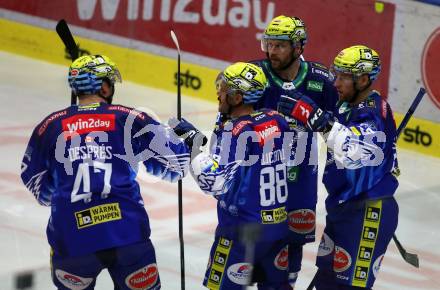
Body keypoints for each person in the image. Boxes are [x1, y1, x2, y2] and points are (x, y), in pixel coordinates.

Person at [20, 54, 201, 290]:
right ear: (105, 87)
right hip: (128, 235)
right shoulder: (128, 117)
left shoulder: (50, 125)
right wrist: (185, 139)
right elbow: (176, 167)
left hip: (72, 239)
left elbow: (39, 188)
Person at [277, 45, 399, 289]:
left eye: (343, 77)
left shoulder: (373, 112)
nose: (336, 82)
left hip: (367, 212)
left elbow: (355, 149)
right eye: (336, 74)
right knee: (325, 281)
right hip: (343, 208)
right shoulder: (347, 107)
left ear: (363, 80)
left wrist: (316, 118)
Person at [171, 62, 293, 289]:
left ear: (237, 97)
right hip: (276, 227)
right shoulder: (276, 119)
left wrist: (194, 145)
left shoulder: (236, 131)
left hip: (240, 232)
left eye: (224, 89)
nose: (219, 92)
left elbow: (215, 182)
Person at [253, 15, 339, 287]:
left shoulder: (321, 80)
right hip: (261, 172)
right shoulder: (255, 75)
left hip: (302, 173)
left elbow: (339, 128)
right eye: (269, 44)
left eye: (279, 46)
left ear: (298, 47)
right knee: (256, 243)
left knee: (293, 243)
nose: (271, 51)